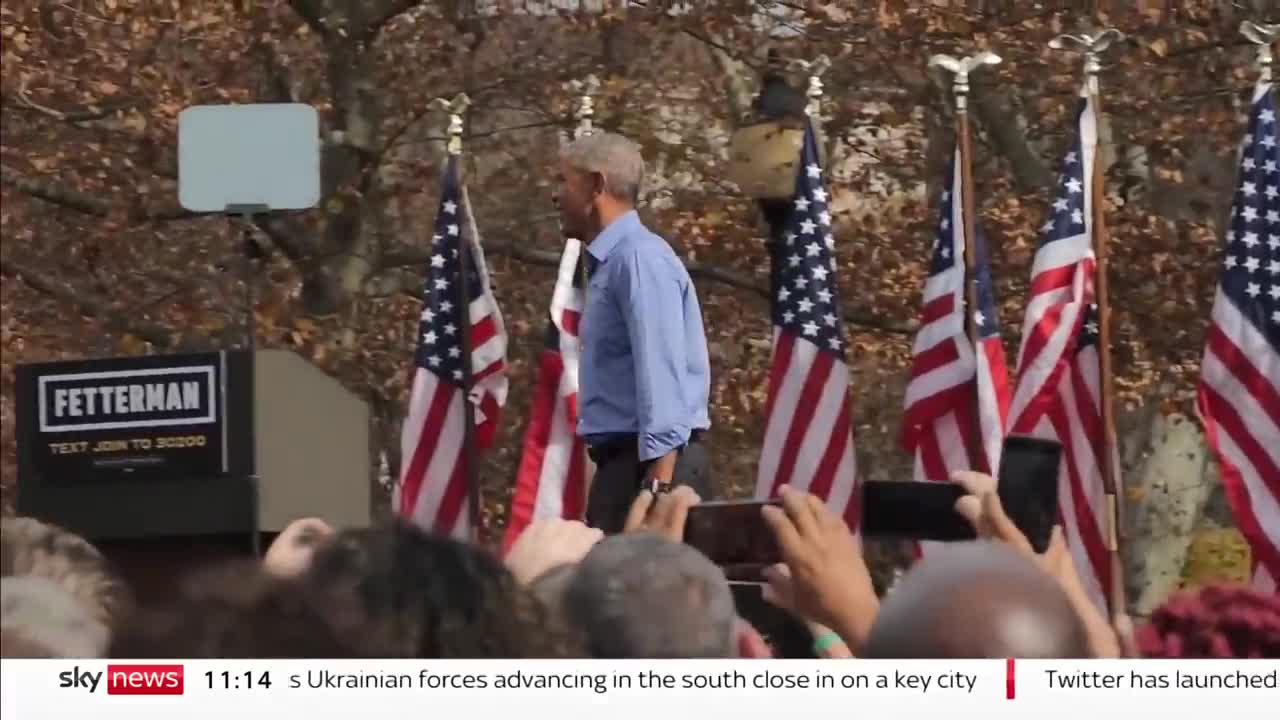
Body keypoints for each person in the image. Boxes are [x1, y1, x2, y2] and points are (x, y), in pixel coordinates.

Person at [555, 131, 712, 533]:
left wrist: (657, 487)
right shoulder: (616, 262)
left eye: (563, 181)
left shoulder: (638, 260)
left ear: (595, 186)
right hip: (628, 468)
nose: (556, 196)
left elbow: (661, 372)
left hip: (650, 470)